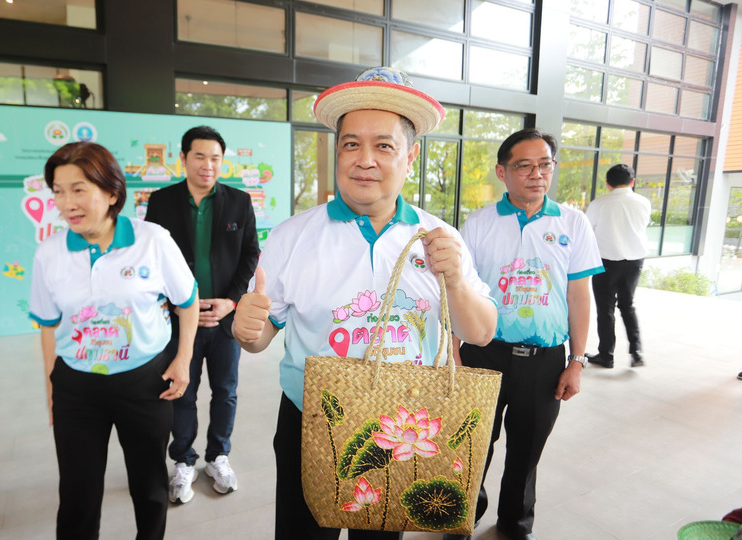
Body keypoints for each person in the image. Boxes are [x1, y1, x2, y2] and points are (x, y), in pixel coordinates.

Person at [232, 67, 498, 540]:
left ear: (410, 157)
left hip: (404, 424)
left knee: (381, 534)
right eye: (351, 144)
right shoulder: (293, 236)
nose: (364, 160)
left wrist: (455, 281)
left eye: (384, 146)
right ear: (337, 152)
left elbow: (481, 333)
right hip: (312, 419)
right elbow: (261, 336)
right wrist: (247, 331)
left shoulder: (439, 237)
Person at [28, 141, 199, 539]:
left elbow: (188, 301)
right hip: (76, 387)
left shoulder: (151, 240)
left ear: (110, 192)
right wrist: (51, 385)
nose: (67, 203)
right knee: (77, 492)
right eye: (58, 191)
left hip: (145, 382)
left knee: (150, 486)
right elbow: (49, 326)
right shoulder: (49, 254)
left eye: (78, 189)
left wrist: (183, 359)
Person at [447, 128, 604, 540]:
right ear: (502, 171)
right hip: (484, 354)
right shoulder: (478, 223)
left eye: (545, 164)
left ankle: (515, 524)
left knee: (527, 450)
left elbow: (579, 295)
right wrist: (454, 354)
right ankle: (461, 519)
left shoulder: (573, 222)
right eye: (524, 166)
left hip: (544, 361)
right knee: (471, 445)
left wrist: (577, 361)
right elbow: (458, 292)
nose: (537, 174)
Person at [145, 125, 259, 503]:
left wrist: (232, 301)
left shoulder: (240, 201)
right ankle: (183, 460)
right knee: (182, 390)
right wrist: (175, 305)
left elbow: (250, 254)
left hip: (224, 318)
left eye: (215, 158)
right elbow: (153, 258)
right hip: (181, 319)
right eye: (199, 156)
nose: (208, 165)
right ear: (183, 158)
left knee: (225, 391)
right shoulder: (162, 201)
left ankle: (218, 456)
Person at [583, 163, 650, 369]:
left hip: (606, 262)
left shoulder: (599, 204)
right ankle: (637, 351)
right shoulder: (643, 202)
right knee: (627, 305)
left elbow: (587, 230)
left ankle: (606, 355)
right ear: (632, 182)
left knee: (606, 309)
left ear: (607, 183)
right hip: (635, 261)